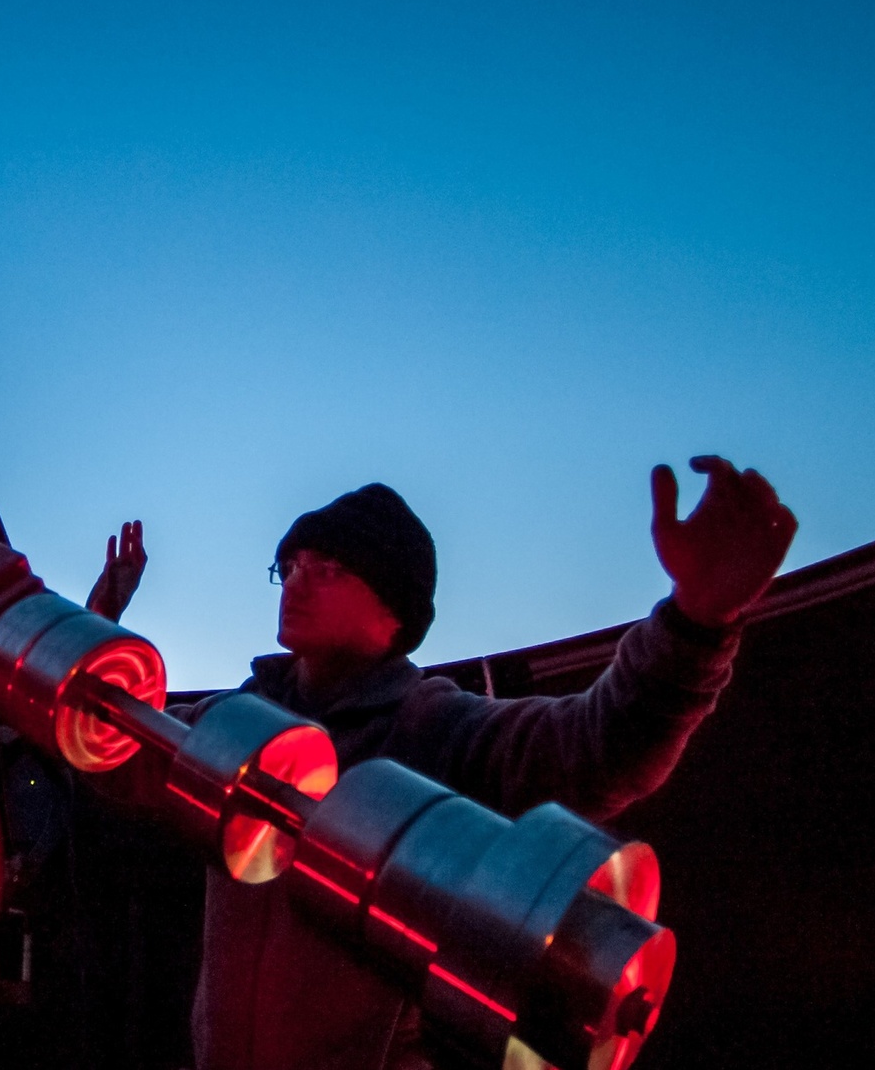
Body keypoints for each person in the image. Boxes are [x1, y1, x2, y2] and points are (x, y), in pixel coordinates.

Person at [80, 456, 795, 1070]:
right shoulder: (235, 722)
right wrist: (98, 630)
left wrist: (696, 622)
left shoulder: (436, 729)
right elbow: (117, 758)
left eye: (327, 567)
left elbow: (597, 746)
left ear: (396, 608)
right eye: (291, 565)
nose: (296, 580)